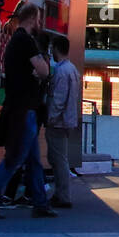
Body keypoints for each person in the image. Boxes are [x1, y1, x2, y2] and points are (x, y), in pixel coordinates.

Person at [0, 2, 55, 219]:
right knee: (17, 156)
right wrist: (40, 70)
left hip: (21, 106)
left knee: (33, 160)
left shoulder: (16, 41)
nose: (40, 23)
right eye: (39, 19)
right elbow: (44, 70)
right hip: (24, 109)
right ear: (31, 19)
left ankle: (40, 203)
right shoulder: (25, 40)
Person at [44, 35, 81, 208]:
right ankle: (61, 194)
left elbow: (58, 99)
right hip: (68, 120)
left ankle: (62, 195)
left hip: (58, 122)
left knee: (57, 159)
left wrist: (50, 117)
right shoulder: (73, 69)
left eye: (52, 48)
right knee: (61, 158)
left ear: (56, 49)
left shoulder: (61, 71)